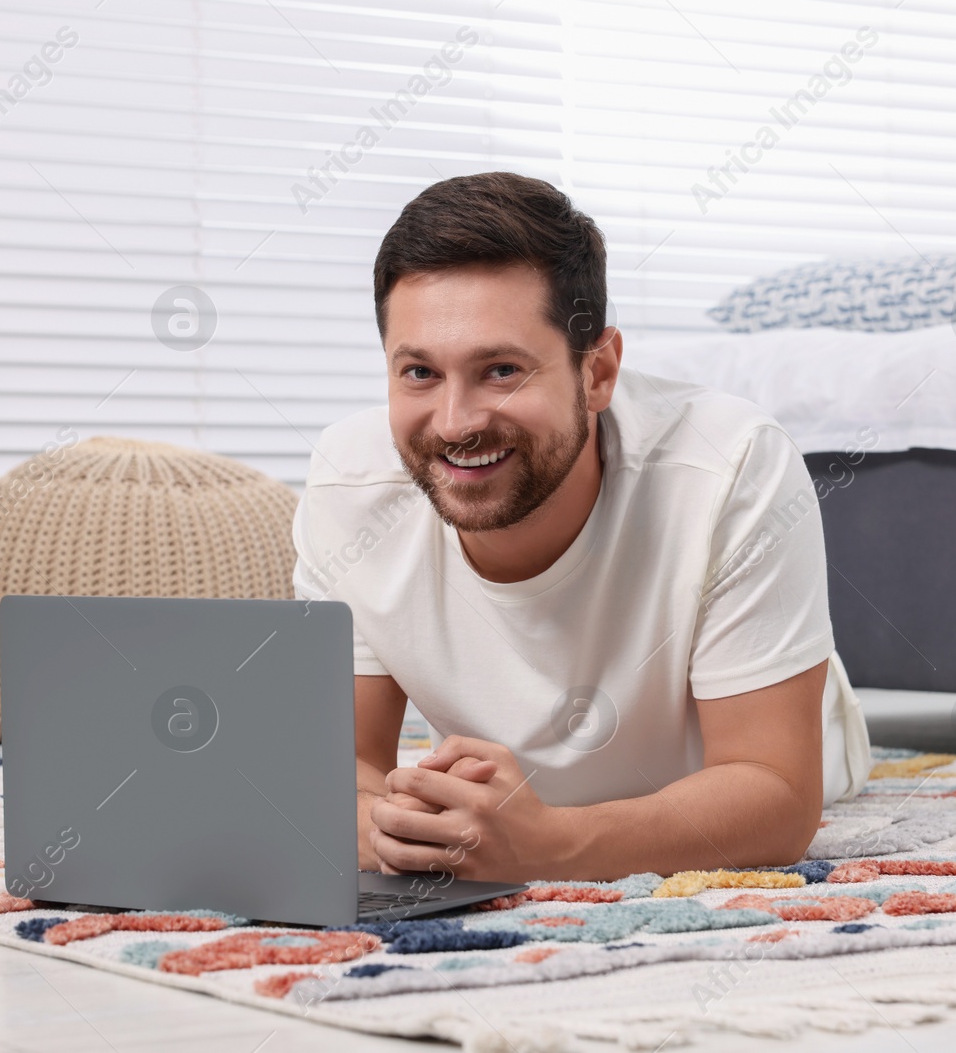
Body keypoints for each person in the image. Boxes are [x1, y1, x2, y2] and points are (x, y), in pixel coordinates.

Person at [291, 172, 870, 883]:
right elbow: (344, 762)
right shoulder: (350, 482)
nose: (454, 422)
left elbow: (775, 794)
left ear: (597, 372)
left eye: (500, 370)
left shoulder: (731, 465)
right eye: (418, 372)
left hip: (750, 748)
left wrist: (547, 845)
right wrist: (385, 830)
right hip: (508, 799)